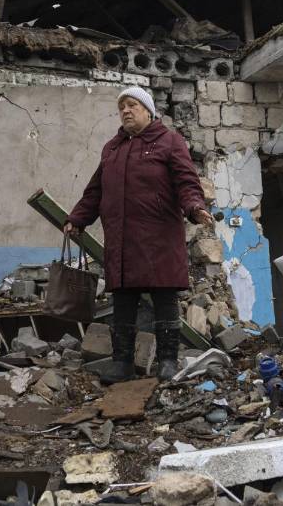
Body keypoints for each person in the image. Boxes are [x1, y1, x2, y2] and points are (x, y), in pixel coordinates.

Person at [65, 86, 214, 382]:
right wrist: (78, 218)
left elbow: (186, 181)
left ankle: (168, 361)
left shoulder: (169, 141)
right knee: (123, 304)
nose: (126, 111)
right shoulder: (112, 148)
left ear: (148, 110)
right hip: (122, 240)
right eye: (122, 107)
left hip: (159, 237)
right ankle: (122, 364)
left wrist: (195, 207)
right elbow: (96, 190)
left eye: (132, 105)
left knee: (164, 300)